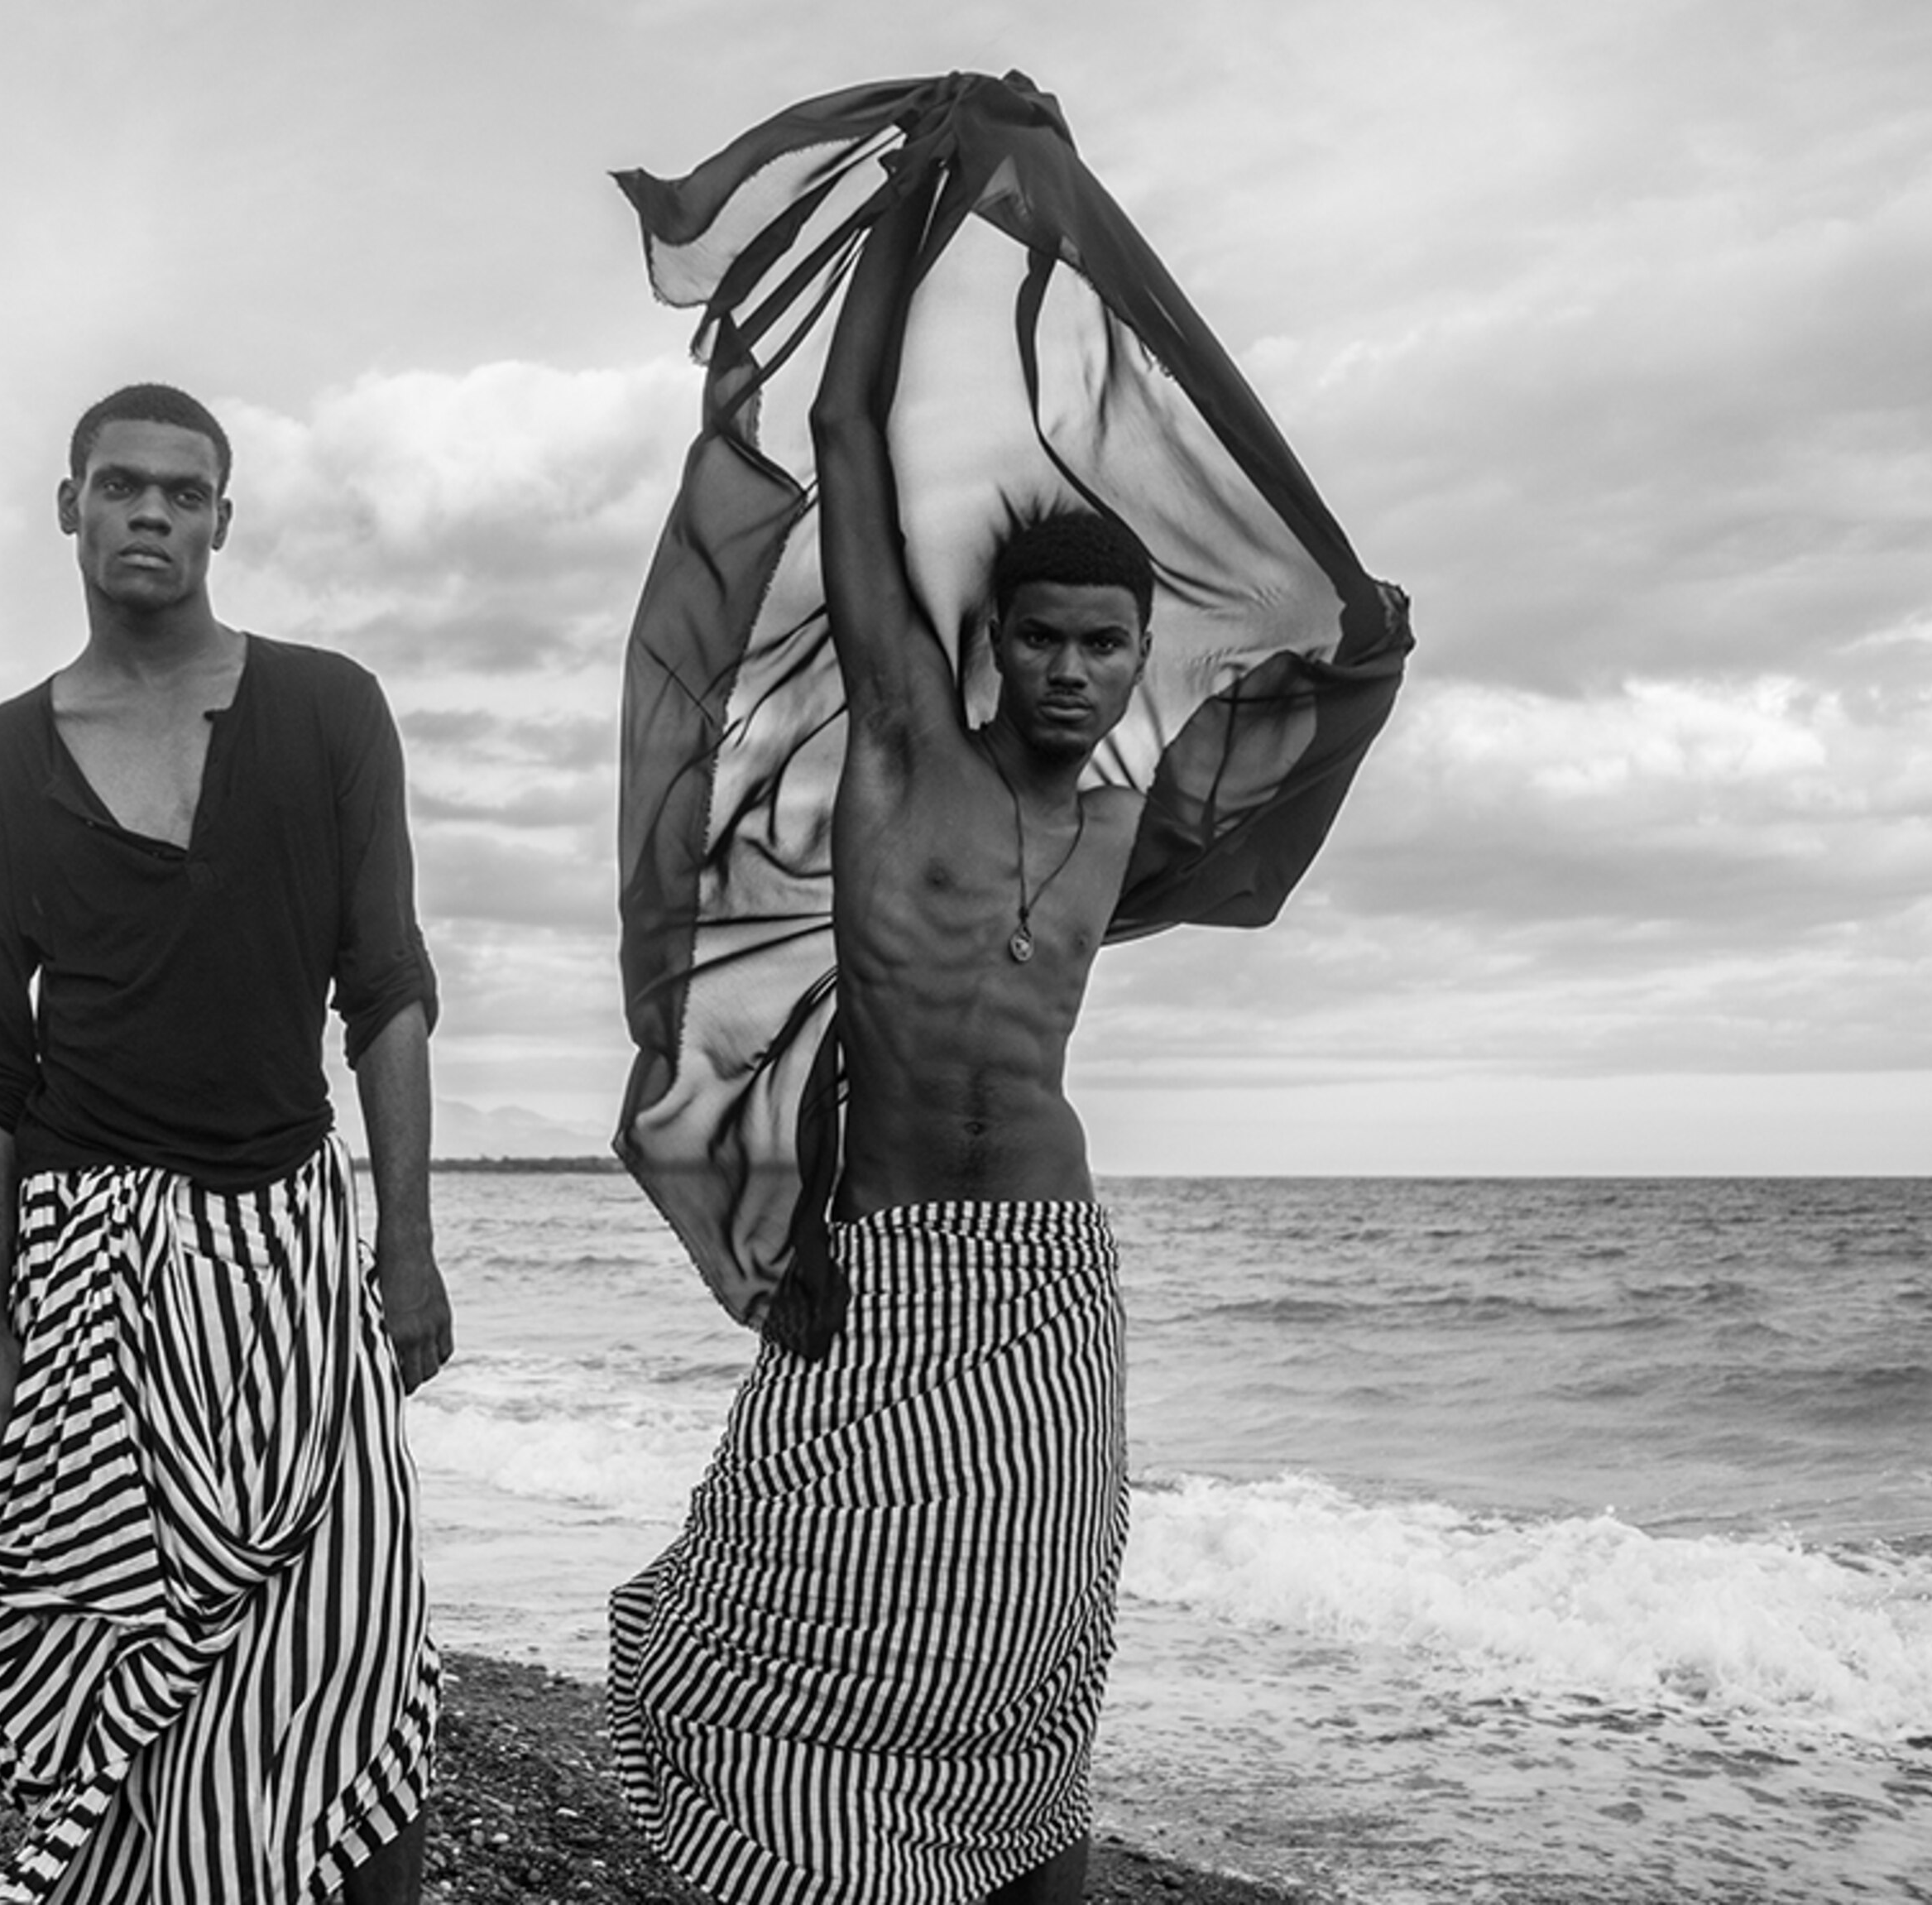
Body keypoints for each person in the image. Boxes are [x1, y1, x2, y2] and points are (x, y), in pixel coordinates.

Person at [606, 175, 1140, 1903]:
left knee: (1041, 1629)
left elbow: (1301, 748)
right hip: (888, 1252)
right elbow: (845, 425)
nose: (1069, 669)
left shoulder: (1133, 826)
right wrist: (922, 189)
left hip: (1050, 1275)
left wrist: (1369, 661)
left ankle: (1025, 1862)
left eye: (1103, 645)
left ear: (1138, 660)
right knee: (781, 1578)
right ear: (993, 642)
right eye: (1042, 637)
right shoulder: (913, 746)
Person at [0, 382, 453, 1905]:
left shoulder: (332, 708)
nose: (153, 512)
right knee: (143, 1684)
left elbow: (386, 987)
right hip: (93, 1267)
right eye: (122, 485)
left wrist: (405, 1247)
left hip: (289, 1250)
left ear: (224, 517)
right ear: (68, 505)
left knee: (365, 1652)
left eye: (186, 492)